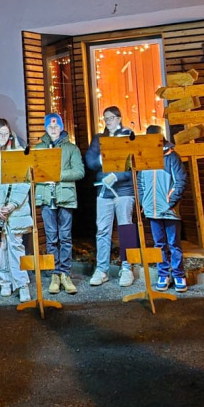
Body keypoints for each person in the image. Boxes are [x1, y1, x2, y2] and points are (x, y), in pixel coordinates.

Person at [84, 106, 136, 287]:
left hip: (124, 191)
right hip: (104, 192)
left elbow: (132, 163)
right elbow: (90, 161)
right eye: (105, 118)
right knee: (102, 231)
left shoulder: (128, 135)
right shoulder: (99, 139)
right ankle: (102, 269)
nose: (108, 121)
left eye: (111, 118)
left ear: (119, 118)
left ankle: (127, 268)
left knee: (126, 229)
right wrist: (107, 158)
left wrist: (117, 175)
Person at [0, 118, 32, 301]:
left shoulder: (18, 153)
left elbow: (25, 181)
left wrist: (12, 204)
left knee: (17, 246)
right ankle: (5, 282)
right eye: (0, 133)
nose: (3, 137)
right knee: (0, 246)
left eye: (6, 133)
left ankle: (22, 285)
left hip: (15, 209)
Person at [35, 113, 85, 294]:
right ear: (46, 128)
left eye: (56, 126)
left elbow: (79, 171)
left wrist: (57, 175)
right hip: (46, 198)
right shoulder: (39, 148)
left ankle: (65, 273)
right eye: (50, 126)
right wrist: (43, 177)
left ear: (62, 127)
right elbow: (32, 172)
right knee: (51, 238)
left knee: (65, 237)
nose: (53, 129)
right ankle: (54, 274)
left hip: (65, 197)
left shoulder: (71, 148)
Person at [139, 125, 188, 292]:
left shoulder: (172, 157)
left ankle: (179, 274)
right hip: (152, 209)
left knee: (174, 244)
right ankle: (163, 274)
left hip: (169, 210)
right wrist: (144, 202)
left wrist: (170, 202)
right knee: (159, 244)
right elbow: (140, 182)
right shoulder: (145, 158)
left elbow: (180, 181)